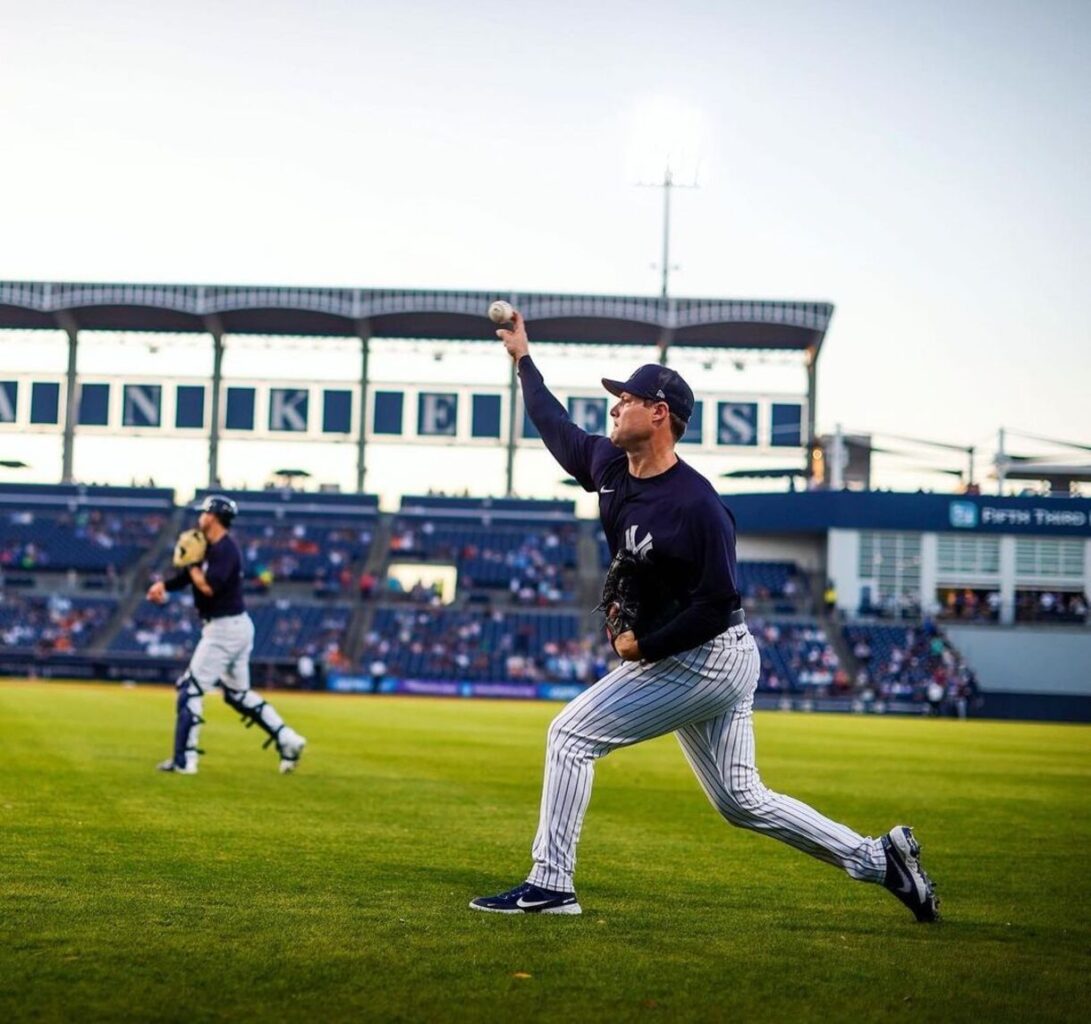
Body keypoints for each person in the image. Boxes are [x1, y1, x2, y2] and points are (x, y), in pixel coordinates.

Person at [470, 312, 939, 923]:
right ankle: (882, 861)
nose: (614, 409)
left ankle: (552, 884)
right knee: (742, 801)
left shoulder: (698, 507)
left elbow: (717, 606)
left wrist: (645, 648)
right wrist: (523, 358)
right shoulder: (611, 468)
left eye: (627, 399)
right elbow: (554, 424)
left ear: (659, 413)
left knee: (570, 736)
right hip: (703, 657)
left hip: (709, 654)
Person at [147, 494, 307, 775]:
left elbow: (209, 587)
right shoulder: (210, 546)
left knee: (190, 690)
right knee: (237, 695)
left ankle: (185, 761)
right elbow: (188, 579)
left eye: (204, 513)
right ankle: (288, 739)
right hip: (233, 625)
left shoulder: (226, 550)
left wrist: (192, 565)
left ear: (213, 517)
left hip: (224, 629)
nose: (200, 517)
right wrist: (165, 585)